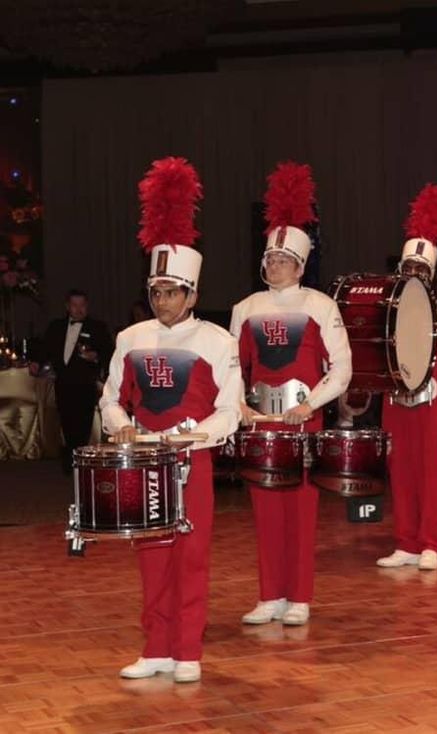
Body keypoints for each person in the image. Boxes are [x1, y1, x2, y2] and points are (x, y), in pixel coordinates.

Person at [100, 157, 241, 683]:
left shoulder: (217, 341)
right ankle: (156, 648)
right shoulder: (129, 339)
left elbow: (230, 409)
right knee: (151, 559)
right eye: (156, 292)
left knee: (191, 557)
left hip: (191, 464)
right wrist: (123, 428)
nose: (162, 301)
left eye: (172, 292)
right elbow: (111, 399)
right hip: (144, 465)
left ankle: (187, 652)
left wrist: (195, 436)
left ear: (193, 295)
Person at [231, 162, 352, 627]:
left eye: (285, 261)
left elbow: (341, 368)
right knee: (264, 509)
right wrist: (238, 405)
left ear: (301, 265)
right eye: (271, 260)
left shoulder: (321, 305)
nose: (276, 266)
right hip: (261, 422)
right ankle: (269, 596)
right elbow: (231, 367)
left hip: (304, 419)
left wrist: (311, 405)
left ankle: (299, 596)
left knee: (302, 509)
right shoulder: (246, 308)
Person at [377, 183, 437, 570]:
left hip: (432, 401)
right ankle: (406, 543)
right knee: (399, 473)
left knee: (431, 474)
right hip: (395, 403)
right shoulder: (386, 310)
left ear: (431, 275)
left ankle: (430, 542)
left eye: (421, 270)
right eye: (408, 268)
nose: (414, 274)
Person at [36, 289, 112, 471]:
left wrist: (95, 356)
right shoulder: (56, 326)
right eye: (74, 305)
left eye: (82, 305)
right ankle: (71, 458)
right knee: (66, 421)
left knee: (83, 423)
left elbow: (109, 352)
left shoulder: (97, 327)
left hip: (85, 383)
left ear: (87, 306)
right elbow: (44, 348)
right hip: (62, 383)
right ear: (67, 306)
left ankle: (80, 461)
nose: (78, 309)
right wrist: (36, 362)